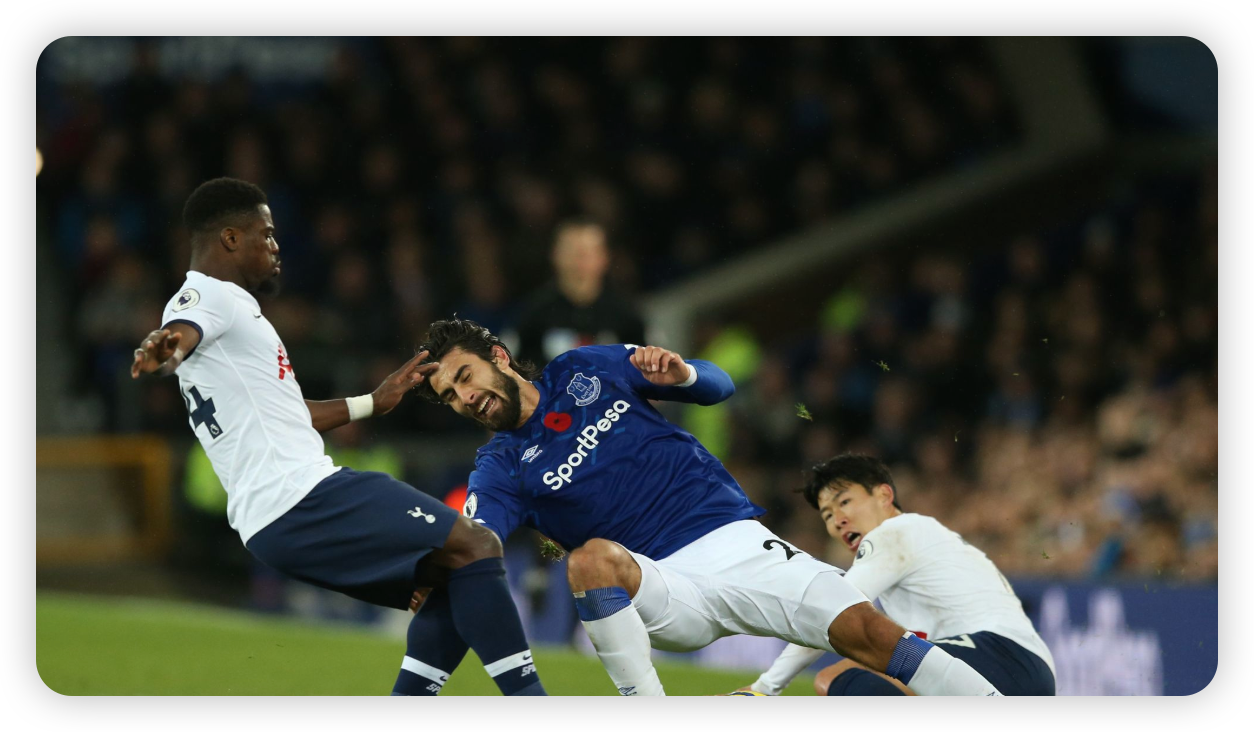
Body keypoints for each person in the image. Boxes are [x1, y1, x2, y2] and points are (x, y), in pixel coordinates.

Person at [416, 317, 1002, 696]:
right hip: (662, 586)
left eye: (465, 376)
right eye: (450, 396)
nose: (466, 397)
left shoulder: (585, 368)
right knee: (590, 561)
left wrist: (683, 372)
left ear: (498, 356)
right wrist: (424, 567)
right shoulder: (499, 469)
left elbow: (717, 386)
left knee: (870, 632)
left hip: (736, 541)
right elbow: (478, 542)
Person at [130, 178, 545, 696]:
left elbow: (285, 413)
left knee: (452, 573)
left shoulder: (232, 310)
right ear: (231, 238)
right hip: (301, 495)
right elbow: (179, 334)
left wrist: (373, 401)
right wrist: (163, 350)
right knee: (477, 543)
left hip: (272, 519)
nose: (276, 246)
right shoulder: (209, 297)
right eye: (266, 234)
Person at [748, 455, 1056, 696]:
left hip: (1000, 655)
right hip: (1028, 670)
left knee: (835, 677)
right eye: (827, 515)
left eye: (844, 502)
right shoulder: (921, 537)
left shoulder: (895, 533)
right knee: (884, 657)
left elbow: (832, 612)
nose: (838, 520)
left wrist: (764, 687)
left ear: (884, 495)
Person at [511, 219, 645, 369]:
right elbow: (510, 368)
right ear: (555, 255)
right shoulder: (533, 313)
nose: (579, 261)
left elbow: (649, 371)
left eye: (588, 252)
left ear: (604, 257)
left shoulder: (627, 315)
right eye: (571, 251)